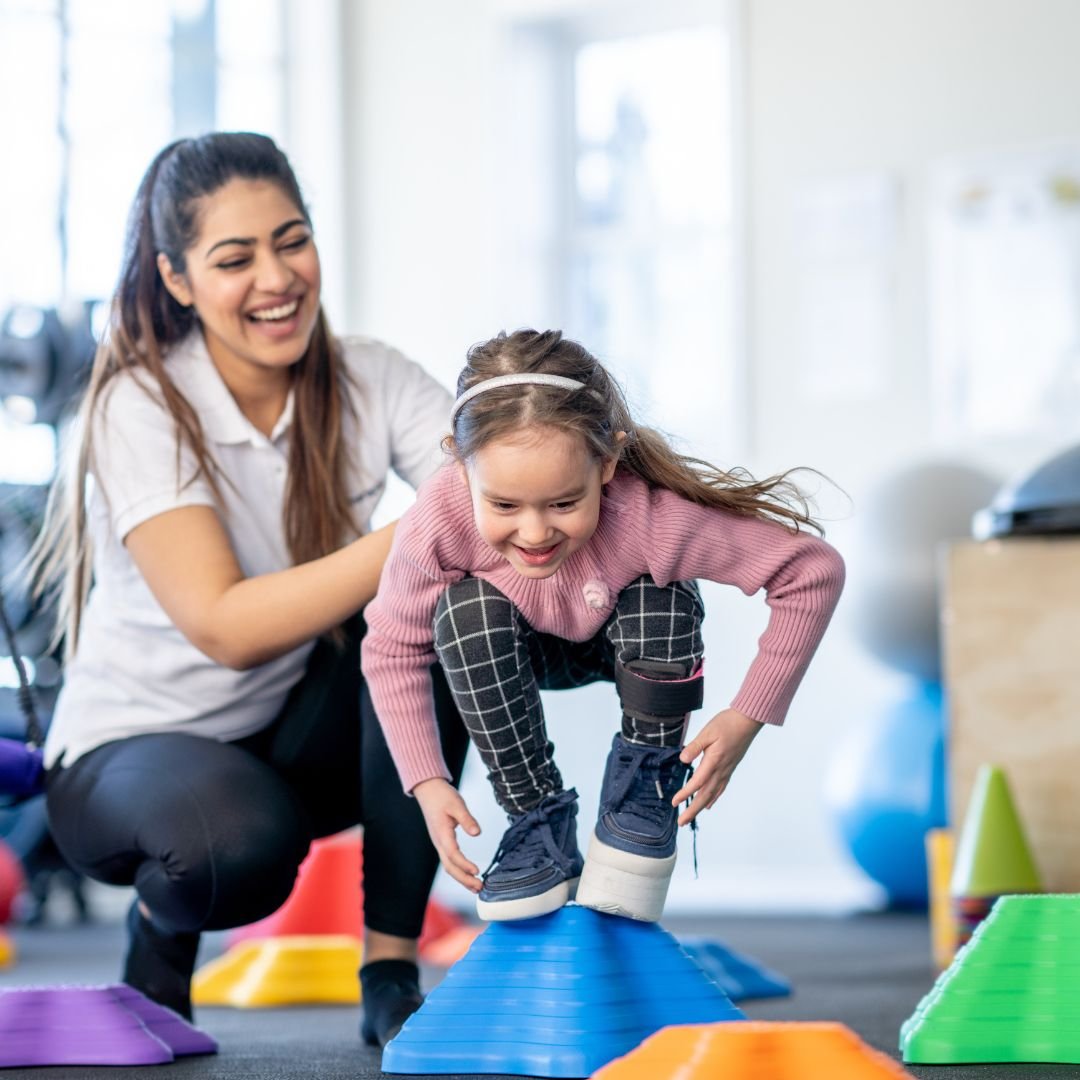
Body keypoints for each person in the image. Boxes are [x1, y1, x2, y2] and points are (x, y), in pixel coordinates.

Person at [30, 132, 468, 1046]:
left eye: (292, 241)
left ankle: (390, 973)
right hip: (128, 753)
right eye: (235, 259)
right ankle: (160, 926)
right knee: (235, 849)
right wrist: (428, 526)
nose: (277, 278)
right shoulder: (141, 402)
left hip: (284, 735)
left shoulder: (373, 377)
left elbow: (496, 489)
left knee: (443, 621)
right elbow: (225, 628)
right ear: (178, 278)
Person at [362, 328, 846, 924]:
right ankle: (536, 818)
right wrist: (427, 782)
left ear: (608, 463)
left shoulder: (648, 518)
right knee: (463, 611)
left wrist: (747, 715)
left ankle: (644, 792)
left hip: (628, 644)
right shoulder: (438, 519)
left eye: (564, 503)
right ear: (461, 468)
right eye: (505, 506)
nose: (535, 533)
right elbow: (392, 649)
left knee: (661, 592)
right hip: (510, 651)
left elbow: (811, 571)